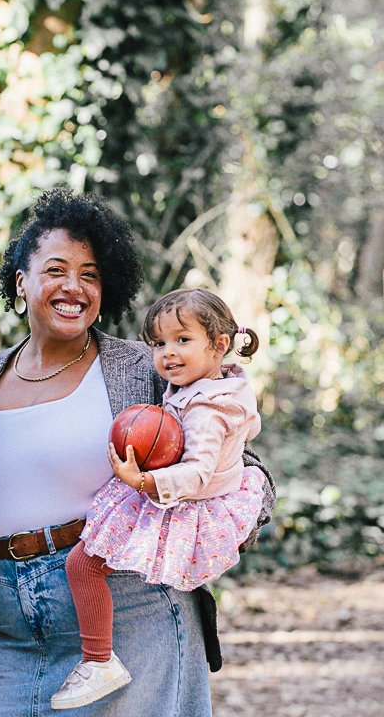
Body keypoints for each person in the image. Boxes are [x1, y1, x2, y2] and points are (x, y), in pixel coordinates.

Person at [0, 189, 275, 717]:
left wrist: (207, 530)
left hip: (131, 614)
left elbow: (244, 467)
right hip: (6, 627)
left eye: (90, 275)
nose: (74, 287)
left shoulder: (146, 369)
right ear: (21, 282)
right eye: (56, 270)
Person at [54, 288, 266, 709]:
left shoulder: (208, 407)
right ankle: (100, 658)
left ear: (219, 345)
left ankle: (99, 660)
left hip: (178, 503)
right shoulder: (205, 387)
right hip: (169, 495)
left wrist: (145, 483)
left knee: (83, 563)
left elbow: (200, 472)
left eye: (182, 340)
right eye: (159, 343)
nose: (168, 353)